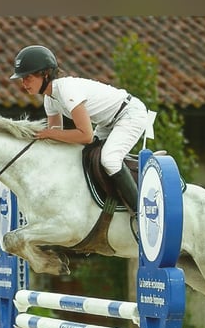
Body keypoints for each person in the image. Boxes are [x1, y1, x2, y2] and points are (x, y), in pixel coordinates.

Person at [9, 44, 148, 214]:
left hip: (130, 114)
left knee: (109, 160)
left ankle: (140, 213)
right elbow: (56, 138)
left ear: (45, 74)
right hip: (107, 123)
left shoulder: (66, 89)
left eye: (27, 77)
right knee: (86, 156)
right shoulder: (50, 99)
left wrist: (46, 133)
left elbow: (86, 135)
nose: (23, 83)